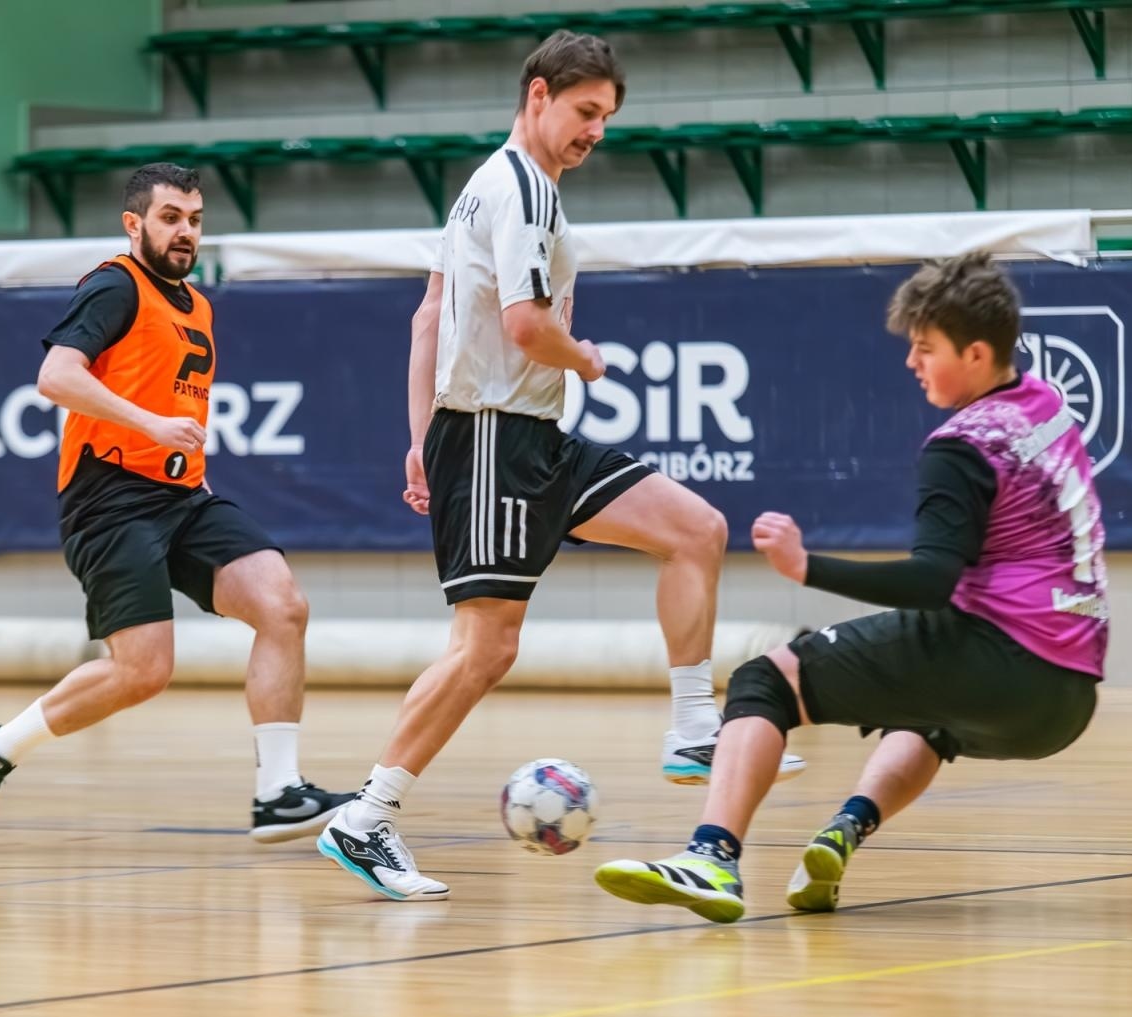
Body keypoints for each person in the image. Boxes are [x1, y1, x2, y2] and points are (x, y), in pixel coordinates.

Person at [317, 31, 803, 903]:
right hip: (496, 435)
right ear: (538, 95)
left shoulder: (487, 185)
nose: (596, 132)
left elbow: (430, 315)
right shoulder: (523, 189)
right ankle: (366, 814)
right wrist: (586, 360)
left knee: (696, 529)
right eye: (586, 111)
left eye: (607, 117)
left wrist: (421, 436)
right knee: (485, 648)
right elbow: (525, 326)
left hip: (526, 433)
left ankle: (694, 727)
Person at [595, 252, 1107, 922]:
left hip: (1001, 658)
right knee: (930, 714)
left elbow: (930, 581)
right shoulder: (1046, 405)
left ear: (977, 353)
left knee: (764, 681)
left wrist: (806, 567)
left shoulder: (961, 447)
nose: (911, 361)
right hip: (1066, 699)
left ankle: (711, 856)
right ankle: (845, 827)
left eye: (926, 348)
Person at [0, 163, 352, 843]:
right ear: (134, 224)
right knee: (143, 672)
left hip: (184, 495)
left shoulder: (198, 305)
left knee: (282, 605)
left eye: (194, 219)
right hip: (109, 499)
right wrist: (149, 424)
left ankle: (279, 792)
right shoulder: (115, 285)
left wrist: (181, 459)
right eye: (170, 218)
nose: (185, 231)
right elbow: (55, 376)